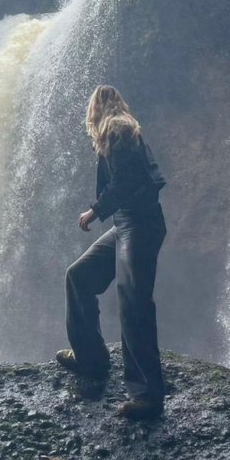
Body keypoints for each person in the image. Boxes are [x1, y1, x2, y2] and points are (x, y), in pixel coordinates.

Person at [56, 85, 167, 420]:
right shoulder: (118, 131)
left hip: (140, 225)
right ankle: (90, 357)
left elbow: (124, 183)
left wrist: (93, 211)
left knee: (134, 303)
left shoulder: (117, 129)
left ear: (95, 109)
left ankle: (148, 395)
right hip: (125, 225)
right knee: (80, 276)